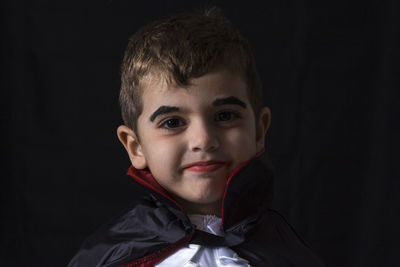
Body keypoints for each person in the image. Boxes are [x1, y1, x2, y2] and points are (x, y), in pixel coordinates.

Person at [68, 7, 324, 267]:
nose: (203, 140)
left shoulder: (288, 254)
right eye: (173, 122)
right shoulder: (110, 258)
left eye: (225, 116)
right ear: (136, 148)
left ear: (259, 131)